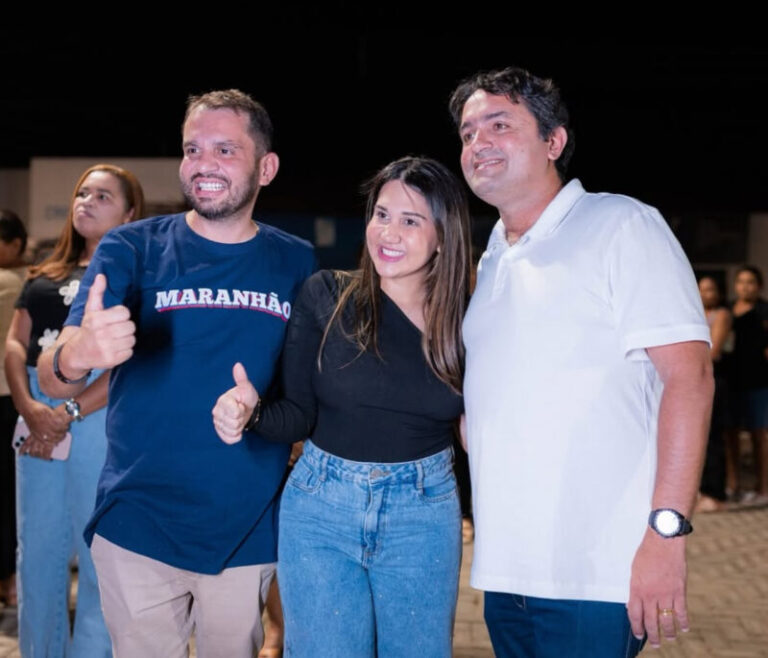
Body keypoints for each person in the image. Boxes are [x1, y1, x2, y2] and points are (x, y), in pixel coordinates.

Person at [37, 90, 315, 658]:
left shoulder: (296, 260)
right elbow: (53, 376)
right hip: (137, 524)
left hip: (245, 528)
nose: (203, 164)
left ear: (266, 167)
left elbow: (302, 394)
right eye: (193, 149)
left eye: (225, 150)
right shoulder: (131, 247)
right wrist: (77, 354)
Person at [450, 67, 713, 657]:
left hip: (597, 574)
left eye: (499, 125)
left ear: (554, 141)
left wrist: (666, 532)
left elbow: (690, 378)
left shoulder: (621, 225)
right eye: (467, 133)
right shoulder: (492, 258)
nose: (478, 142)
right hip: (507, 571)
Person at [212, 156, 471, 657]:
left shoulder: (467, 320)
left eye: (410, 221)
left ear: (444, 236)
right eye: (382, 214)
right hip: (320, 508)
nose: (388, 233)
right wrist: (251, 413)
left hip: (422, 514)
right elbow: (298, 415)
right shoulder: (327, 295)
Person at [5, 165, 144, 656]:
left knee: (98, 552)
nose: (86, 201)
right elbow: (15, 345)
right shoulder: (42, 273)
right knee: (37, 550)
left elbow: (131, 361)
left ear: (129, 213)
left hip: (98, 415)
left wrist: (66, 411)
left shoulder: (135, 277)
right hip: (35, 418)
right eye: (83, 192)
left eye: (103, 196)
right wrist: (29, 406)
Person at [0, 210, 27, 613]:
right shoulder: (23, 281)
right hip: (11, 399)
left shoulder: (11, 281)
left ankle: (8, 582)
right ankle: (9, 583)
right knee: (9, 495)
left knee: (7, 495)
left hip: (7, 400)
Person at [726, 265, 768, 503]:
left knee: (758, 435)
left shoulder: (764, 311)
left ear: (759, 286)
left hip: (758, 381)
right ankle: (734, 485)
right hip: (731, 380)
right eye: (741, 282)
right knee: (729, 434)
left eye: (750, 282)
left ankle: (763, 488)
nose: (745, 286)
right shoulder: (728, 309)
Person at [696, 276, 732, 511]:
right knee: (699, 437)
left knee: (713, 436)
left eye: (710, 289)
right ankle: (702, 490)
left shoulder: (721, 315)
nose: (706, 294)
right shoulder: (695, 315)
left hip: (714, 380)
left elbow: (713, 351)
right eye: (702, 289)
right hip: (696, 380)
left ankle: (716, 493)